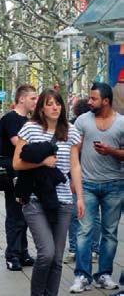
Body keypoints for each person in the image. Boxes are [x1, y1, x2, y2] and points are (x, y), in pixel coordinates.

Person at [13, 88, 84, 296]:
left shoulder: (70, 130)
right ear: (42, 109)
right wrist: (42, 162)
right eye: (49, 104)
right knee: (47, 253)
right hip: (35, 198)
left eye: (58, 103)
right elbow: (17, 163)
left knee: (57, 258)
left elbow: (75, 166)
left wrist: (79, 197)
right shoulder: (30, 128)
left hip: (62, 199)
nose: (54, 107)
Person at [70, 82, 124, 293]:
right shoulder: (83, 121)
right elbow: (74, 152)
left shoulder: (121, 123)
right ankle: (82, 276)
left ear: (106, 101)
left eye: (93, 99)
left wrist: (111, 151)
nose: (89, 101)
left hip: (115, 185)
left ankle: (104, 274)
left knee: (110, 232)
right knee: (84, 231)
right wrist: (74, 181)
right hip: (88, 184)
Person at [0, 85, 38, 271]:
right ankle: (12, 254)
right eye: (33, 98)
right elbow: (18, 144)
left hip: (26, 174)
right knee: (15, 215)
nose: (35, 102)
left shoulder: (28, 120)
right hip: (12, 174)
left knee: (24, 214)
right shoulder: (11, 118)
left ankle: (23, 252)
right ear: (21, 99)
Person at [64, 98, 101, 264]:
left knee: (74, 214)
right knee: (94, 215)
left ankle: (74, 249)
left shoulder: (72, 126)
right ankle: (93, 249)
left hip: (79, 175)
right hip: (94, 174)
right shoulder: (98, 125)